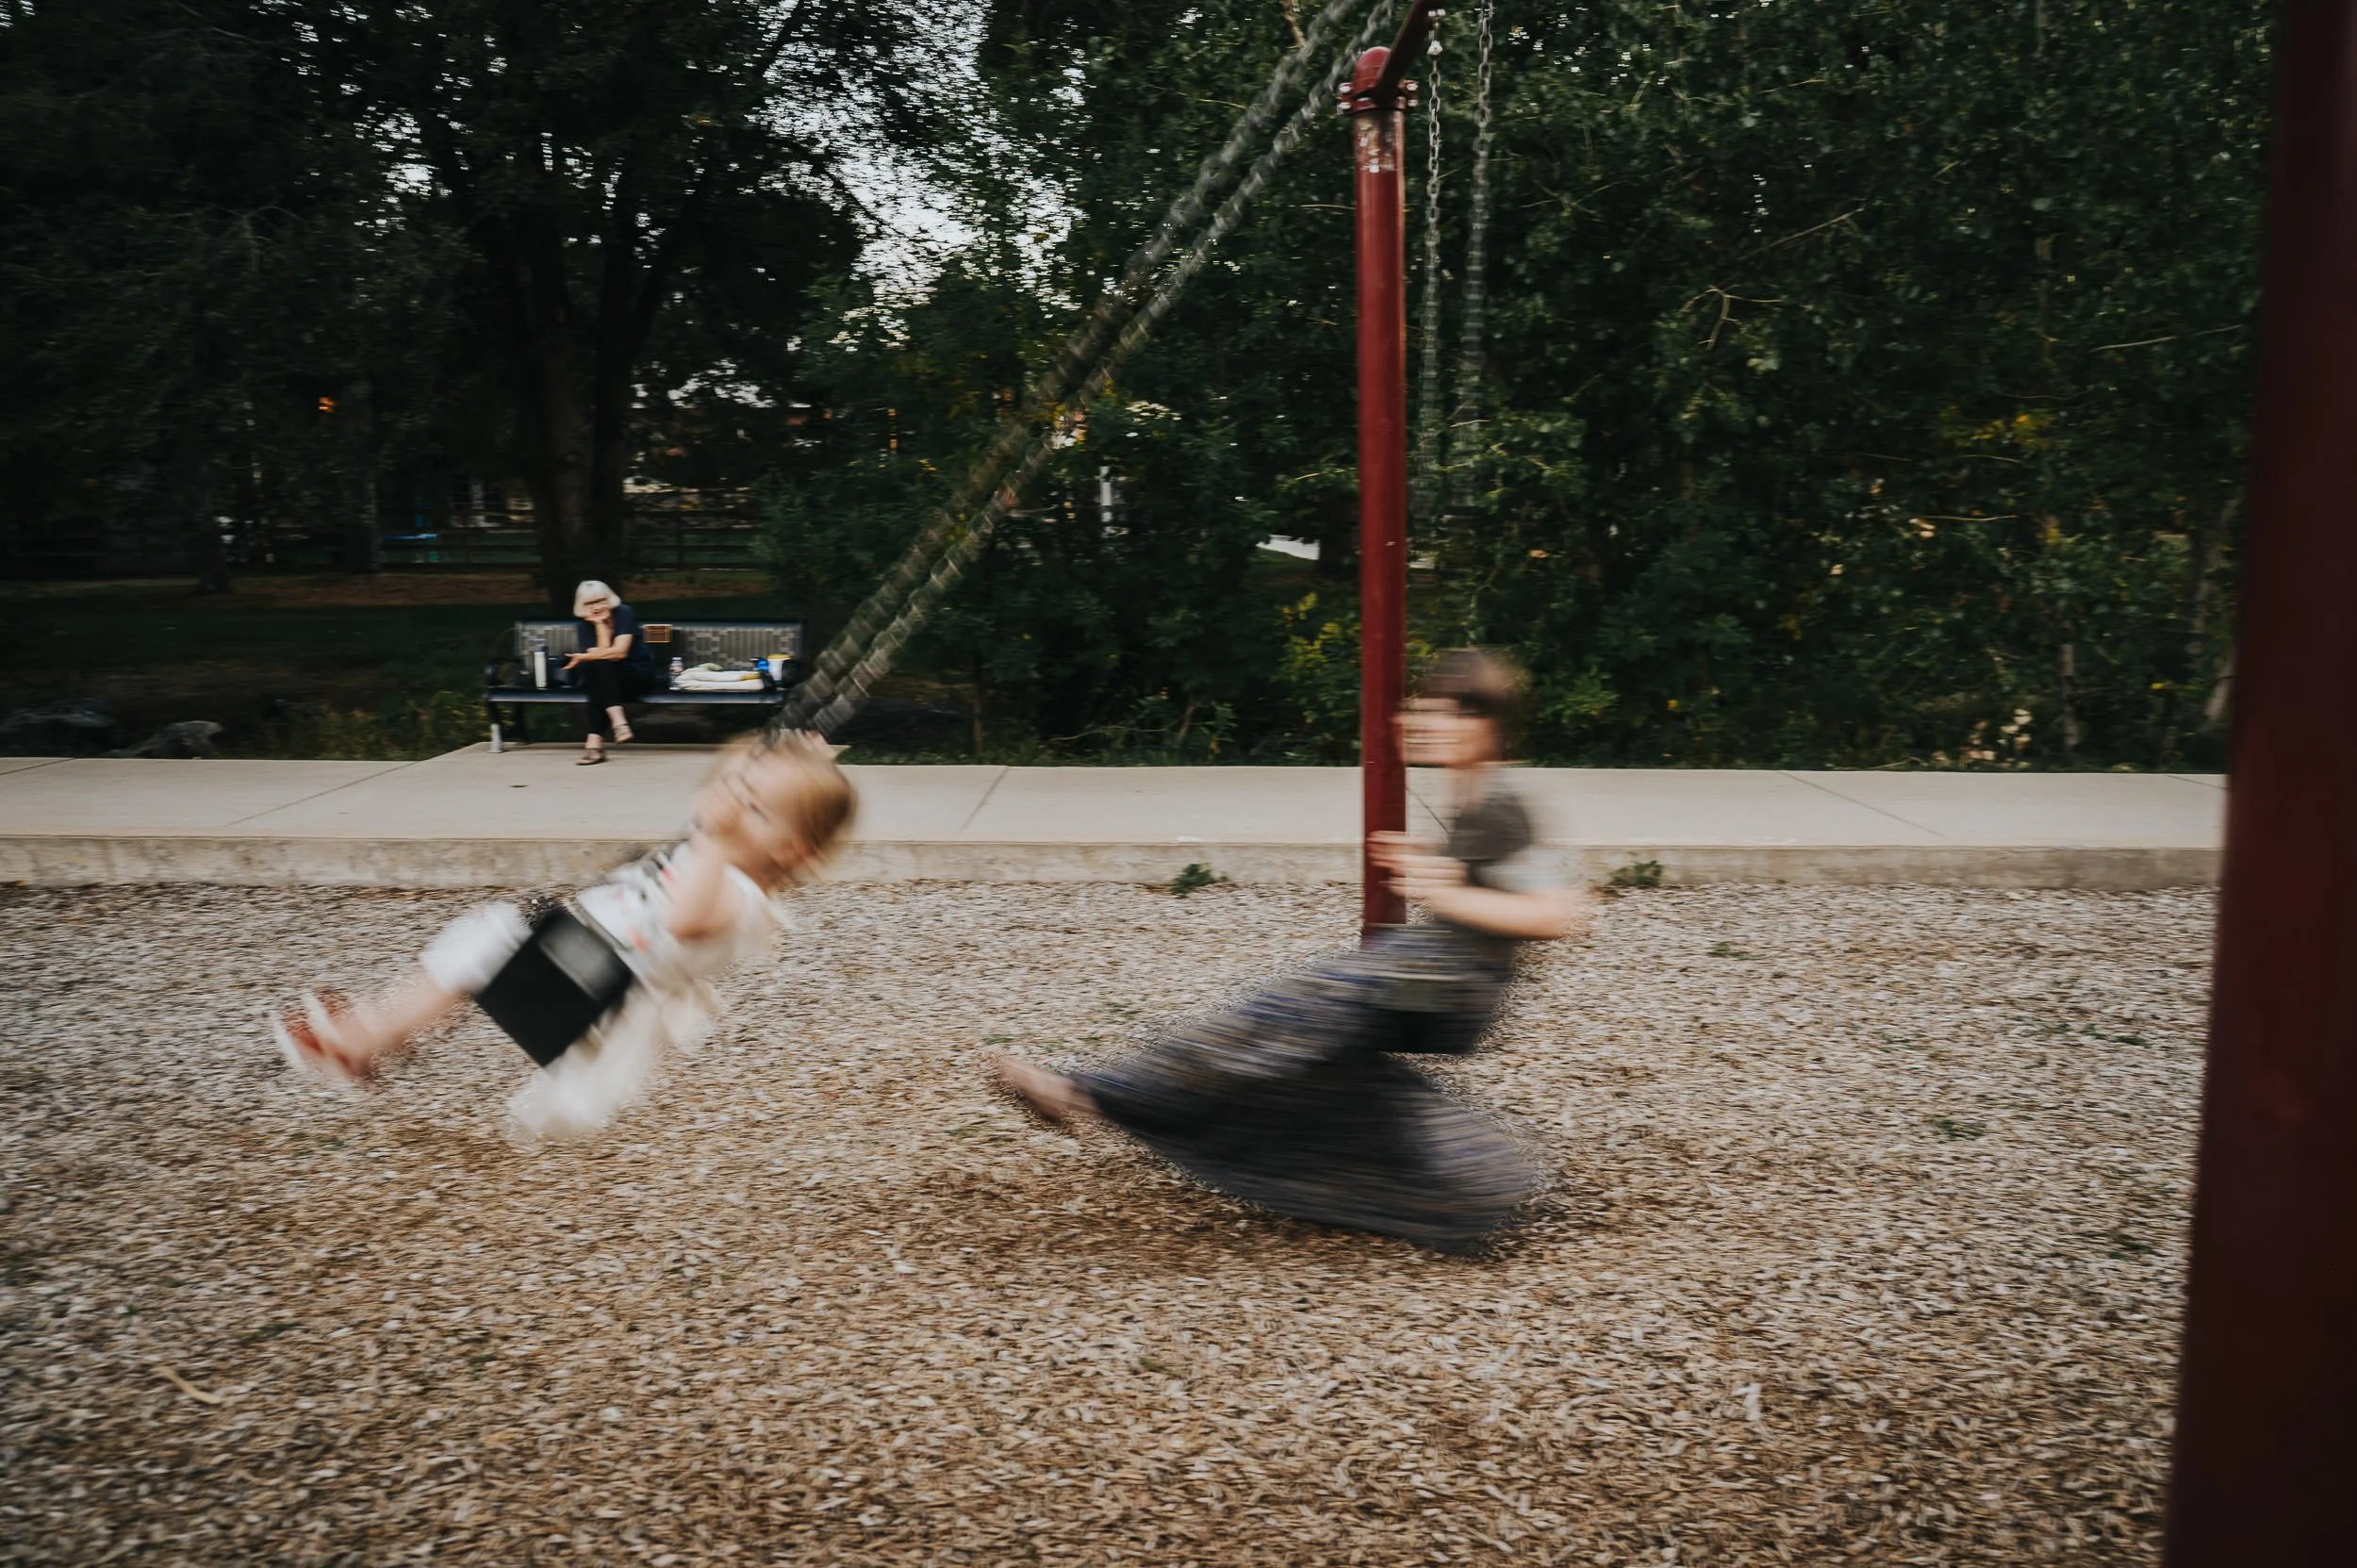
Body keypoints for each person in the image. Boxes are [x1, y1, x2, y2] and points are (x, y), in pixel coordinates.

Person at [995, 649, 1591, 1253]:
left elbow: (1553, 913)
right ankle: (1474, 1184)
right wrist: (1438, 874)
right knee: (1303, 1052)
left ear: (1481, 721)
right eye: (1422, 710)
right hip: (1421, 972)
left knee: (1284, 1016)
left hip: (1444, 988)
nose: (1421, 723)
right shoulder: (1472, 792)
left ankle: (1090, 1092)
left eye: (1438, 712)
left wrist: (1443, 888)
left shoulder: (1505, 795)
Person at [273, 734, 856, 1144]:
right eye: (734, 788)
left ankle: (362, 1039)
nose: (726, 806)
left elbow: (683, 921)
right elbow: (731, 809)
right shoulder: (725, 852)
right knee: (483, 945)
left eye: (751, 809)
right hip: (581, 957)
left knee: (487, 946)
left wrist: (718, 838)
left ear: (788, 851)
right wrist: (788, 763)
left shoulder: (740, 896)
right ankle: (377, 1036)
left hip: (597, 991)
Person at [568, 578, 657, 765]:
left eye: (601, 600)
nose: (597, 606)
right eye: (590, 603)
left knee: (597, 672)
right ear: (581, 605)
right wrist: (600, 625)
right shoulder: (584, 625)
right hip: (610, 681)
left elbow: (619, 652)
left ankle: (595, 745)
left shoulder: (624, 613)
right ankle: (619, 724)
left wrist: (583, 657)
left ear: (609, 598)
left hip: (637, 674)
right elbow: (602, 656)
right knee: (599, 668)